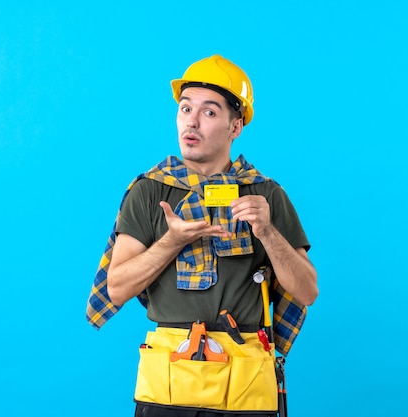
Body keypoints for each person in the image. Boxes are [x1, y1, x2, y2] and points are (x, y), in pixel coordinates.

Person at [86, 54, 318, 417]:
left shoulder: (266, 195)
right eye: (185, 108)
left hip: (245, 387)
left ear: (235, 125)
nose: (191, 122)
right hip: (168, 386)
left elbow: (307, 291)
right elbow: (116, 289)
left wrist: (267, 232)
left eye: (209, 112)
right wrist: (172, 241)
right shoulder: (149, 192)